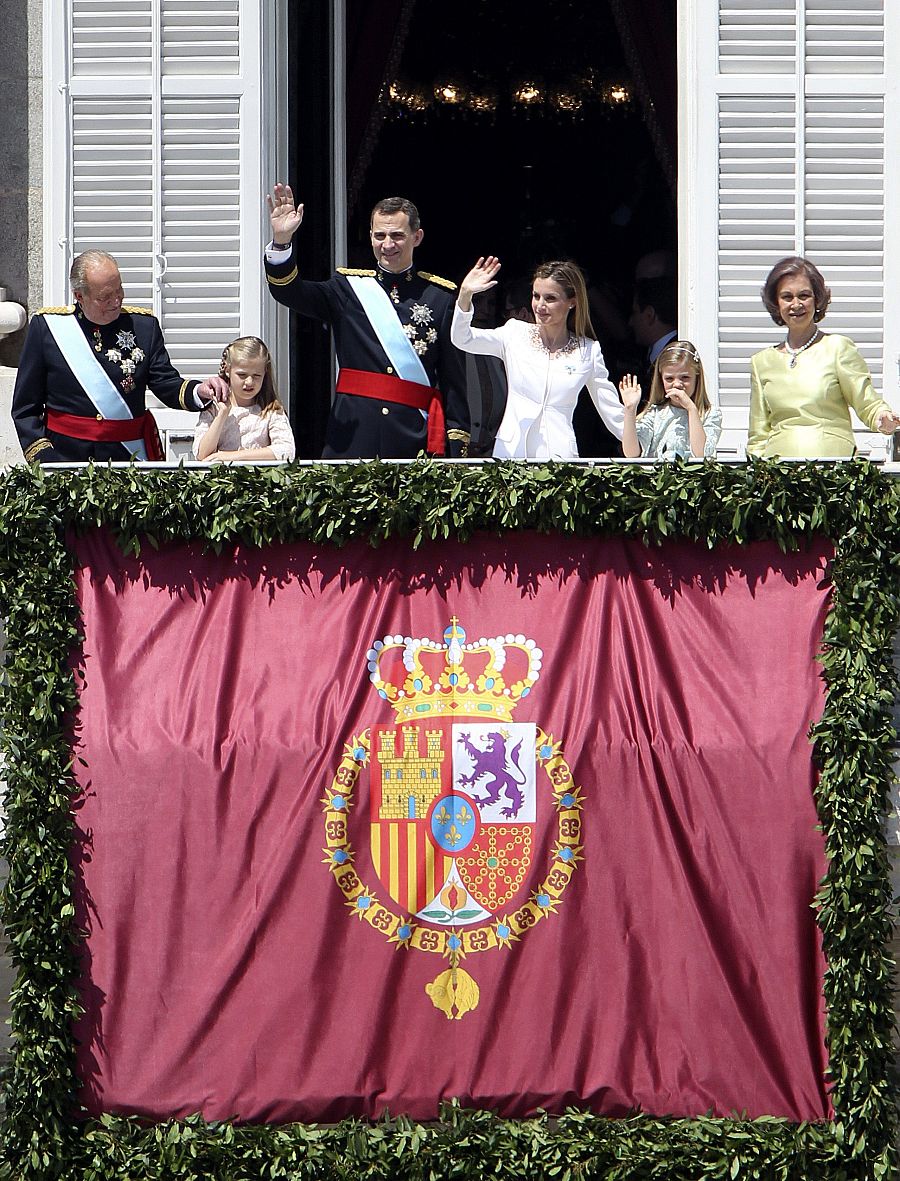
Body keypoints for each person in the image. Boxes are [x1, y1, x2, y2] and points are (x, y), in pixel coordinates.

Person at [264, 183, 468, 458]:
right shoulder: (347, 289)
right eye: (380, 235)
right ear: (371, 236)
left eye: (397, 236)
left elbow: (454, 384)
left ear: (417, 237)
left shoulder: (440, 299)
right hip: (353, 439)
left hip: (414, 442)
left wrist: (456, 448)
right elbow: (289, 291)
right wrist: (281, 241)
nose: (387, 245)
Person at [12, 250, 227, 463]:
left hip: (128, 457)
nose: (116, 301)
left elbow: (165, 383)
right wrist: (45, 460)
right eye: (105, 297)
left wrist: (199, 391)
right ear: (79, 296)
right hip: (66, 457)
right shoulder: (47, 328)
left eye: (119, 290)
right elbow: (25, 407)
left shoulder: (144, 327)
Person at [451, 256, 624, 459]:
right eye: (536, 296)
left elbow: (612, 411)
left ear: (572, 302)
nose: (540, 305)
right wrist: (465, 294)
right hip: (510, 455)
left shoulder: (588, 350)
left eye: (550, 298)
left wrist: (645, 440)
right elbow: (462, 339)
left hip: (559, 457)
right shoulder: (514, 333)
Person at [748, 256, 900, 457]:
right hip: (779, 472)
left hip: (833, 469)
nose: (796, 304)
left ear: (817, 299)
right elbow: (758, 437)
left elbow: (866, 401)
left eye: (804, 296)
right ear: (776, 303)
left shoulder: (837, 348)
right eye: (787, 297)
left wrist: (882, 417)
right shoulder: (761, 362)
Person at [192, 336, 295, 464]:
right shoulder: (213, 409)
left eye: (256, 375)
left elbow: (286, 451)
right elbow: (202, 455)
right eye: (242, 375)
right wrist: (223, 414)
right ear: (228, 370)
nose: (249, 382)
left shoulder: (271, 410)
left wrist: (233, 456)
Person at [619, 340, 721, 459]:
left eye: (685, 377)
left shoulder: (711, 414)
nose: (677, 384)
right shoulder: (654, 413)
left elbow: (701, 454)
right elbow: (631, 453)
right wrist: (630, 409)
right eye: (669, 379)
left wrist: (691, 409)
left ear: (697, 377)